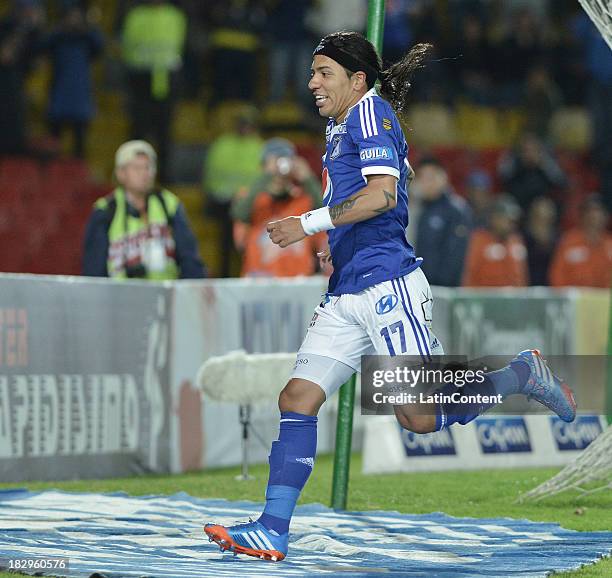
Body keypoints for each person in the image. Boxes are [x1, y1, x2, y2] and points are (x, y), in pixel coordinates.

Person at [204, 31, 576, 562]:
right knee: (297, 398)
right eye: (311, 72)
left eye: (322, 73)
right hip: (347, 287)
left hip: (388, 286)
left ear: (356, 80)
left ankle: (521, 374)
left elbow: (381, 194)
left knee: (418, 418)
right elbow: (365, 195)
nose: (312, 82)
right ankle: (272, 527)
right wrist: (334, 245)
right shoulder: (340, 128)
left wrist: (308, 223)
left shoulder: (368, 114)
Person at [82, 140, 206, 279]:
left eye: (148, 167)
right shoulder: (105, 211)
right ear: (120, 173)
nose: (144, 173)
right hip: (120, 297)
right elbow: (94, 269)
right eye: (137, 168)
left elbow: (190, 258)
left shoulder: (169, 204)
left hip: (164, 295)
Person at [232, 138, 324, 277]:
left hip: (298, 281)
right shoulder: (251, 197)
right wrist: (267, 175)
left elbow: (325, 213)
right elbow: (239, 213)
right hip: (259, 280)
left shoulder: (302, 198)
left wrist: (308, 179)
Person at [121, 0, 187, 181]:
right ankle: (133, 174)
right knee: (139, 130)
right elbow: (128, 48)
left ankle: (164, 176)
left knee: (164, 132)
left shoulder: (175, 16)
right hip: (141, 79)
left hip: (166, 79)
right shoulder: (136, 16)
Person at [202, 107, 264, 278]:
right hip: (224, 202)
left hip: (250, 202)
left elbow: (262, 179)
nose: (245, 127)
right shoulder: (222, 144)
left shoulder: (258, 146)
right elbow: (212, 179)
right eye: (242, 123)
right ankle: (226, 273)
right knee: (229, 227)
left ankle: (248, 269)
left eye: (248, 124)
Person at [40, 3, 104, 158]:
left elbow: (100, 46)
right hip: (59, 95)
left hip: (80, 96)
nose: (73, 20)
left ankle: (78, 176)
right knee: (53, 142)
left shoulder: (86, 39)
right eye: (70, 16)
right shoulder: (57, 39)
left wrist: (87, 29)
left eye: (76, 16)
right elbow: (42, 46)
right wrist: (60, 29)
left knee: (80, 144)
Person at [414, 157, 473, 287]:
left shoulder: (457, 210)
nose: (425, 183)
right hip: (423, 286)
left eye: (430, 178)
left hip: (445, 290)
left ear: (443, 177)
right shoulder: (422, 208)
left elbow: (456, 256)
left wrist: (440, 286)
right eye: (421, 178)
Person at [463, 195, 528, 287]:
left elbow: (522, 276)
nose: (511, 224)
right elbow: (469, 273)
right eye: (507, 219)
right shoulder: (479, 240)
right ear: (494, 218)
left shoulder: (516, 240)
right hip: (485, 298)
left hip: (513, 299)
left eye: (513, 220)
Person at [549, 194, 612, 288]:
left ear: (606, 216)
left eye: (598, 211)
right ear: (582, 215)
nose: (593, 216)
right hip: (575, 298)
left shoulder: (610, 243)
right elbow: (556, 275)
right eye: (589, 211)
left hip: (604, 298)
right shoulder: (569, 241)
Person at [523, 195, 557, 286]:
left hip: (551, 287)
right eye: (539, 216)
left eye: (546, 217)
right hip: (528, 287)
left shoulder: (557, 239)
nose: (543, 220)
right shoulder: (524, 238)